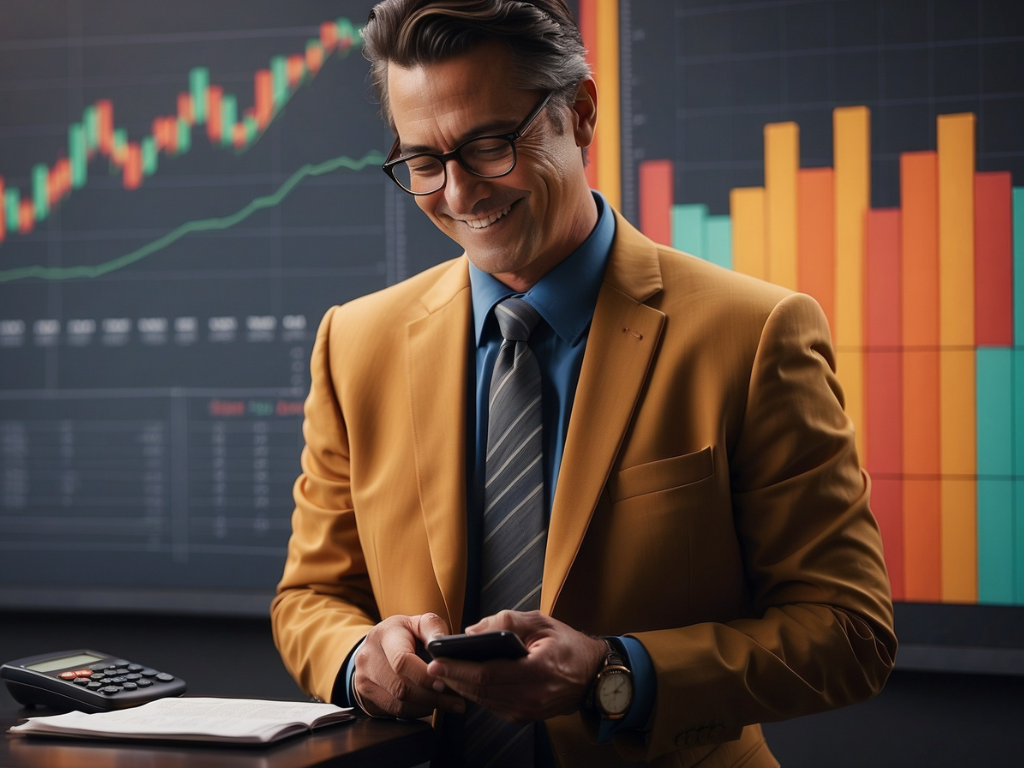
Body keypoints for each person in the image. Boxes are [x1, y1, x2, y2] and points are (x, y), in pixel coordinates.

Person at [270, 1, 897, 766]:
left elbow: (850, 632)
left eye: (491, 145)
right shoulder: (354, 342)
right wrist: (359, 660)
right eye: (425, 163)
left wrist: (614, 672)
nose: (462, 196)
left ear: (582, 115)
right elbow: (309, 599)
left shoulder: (757, 334)